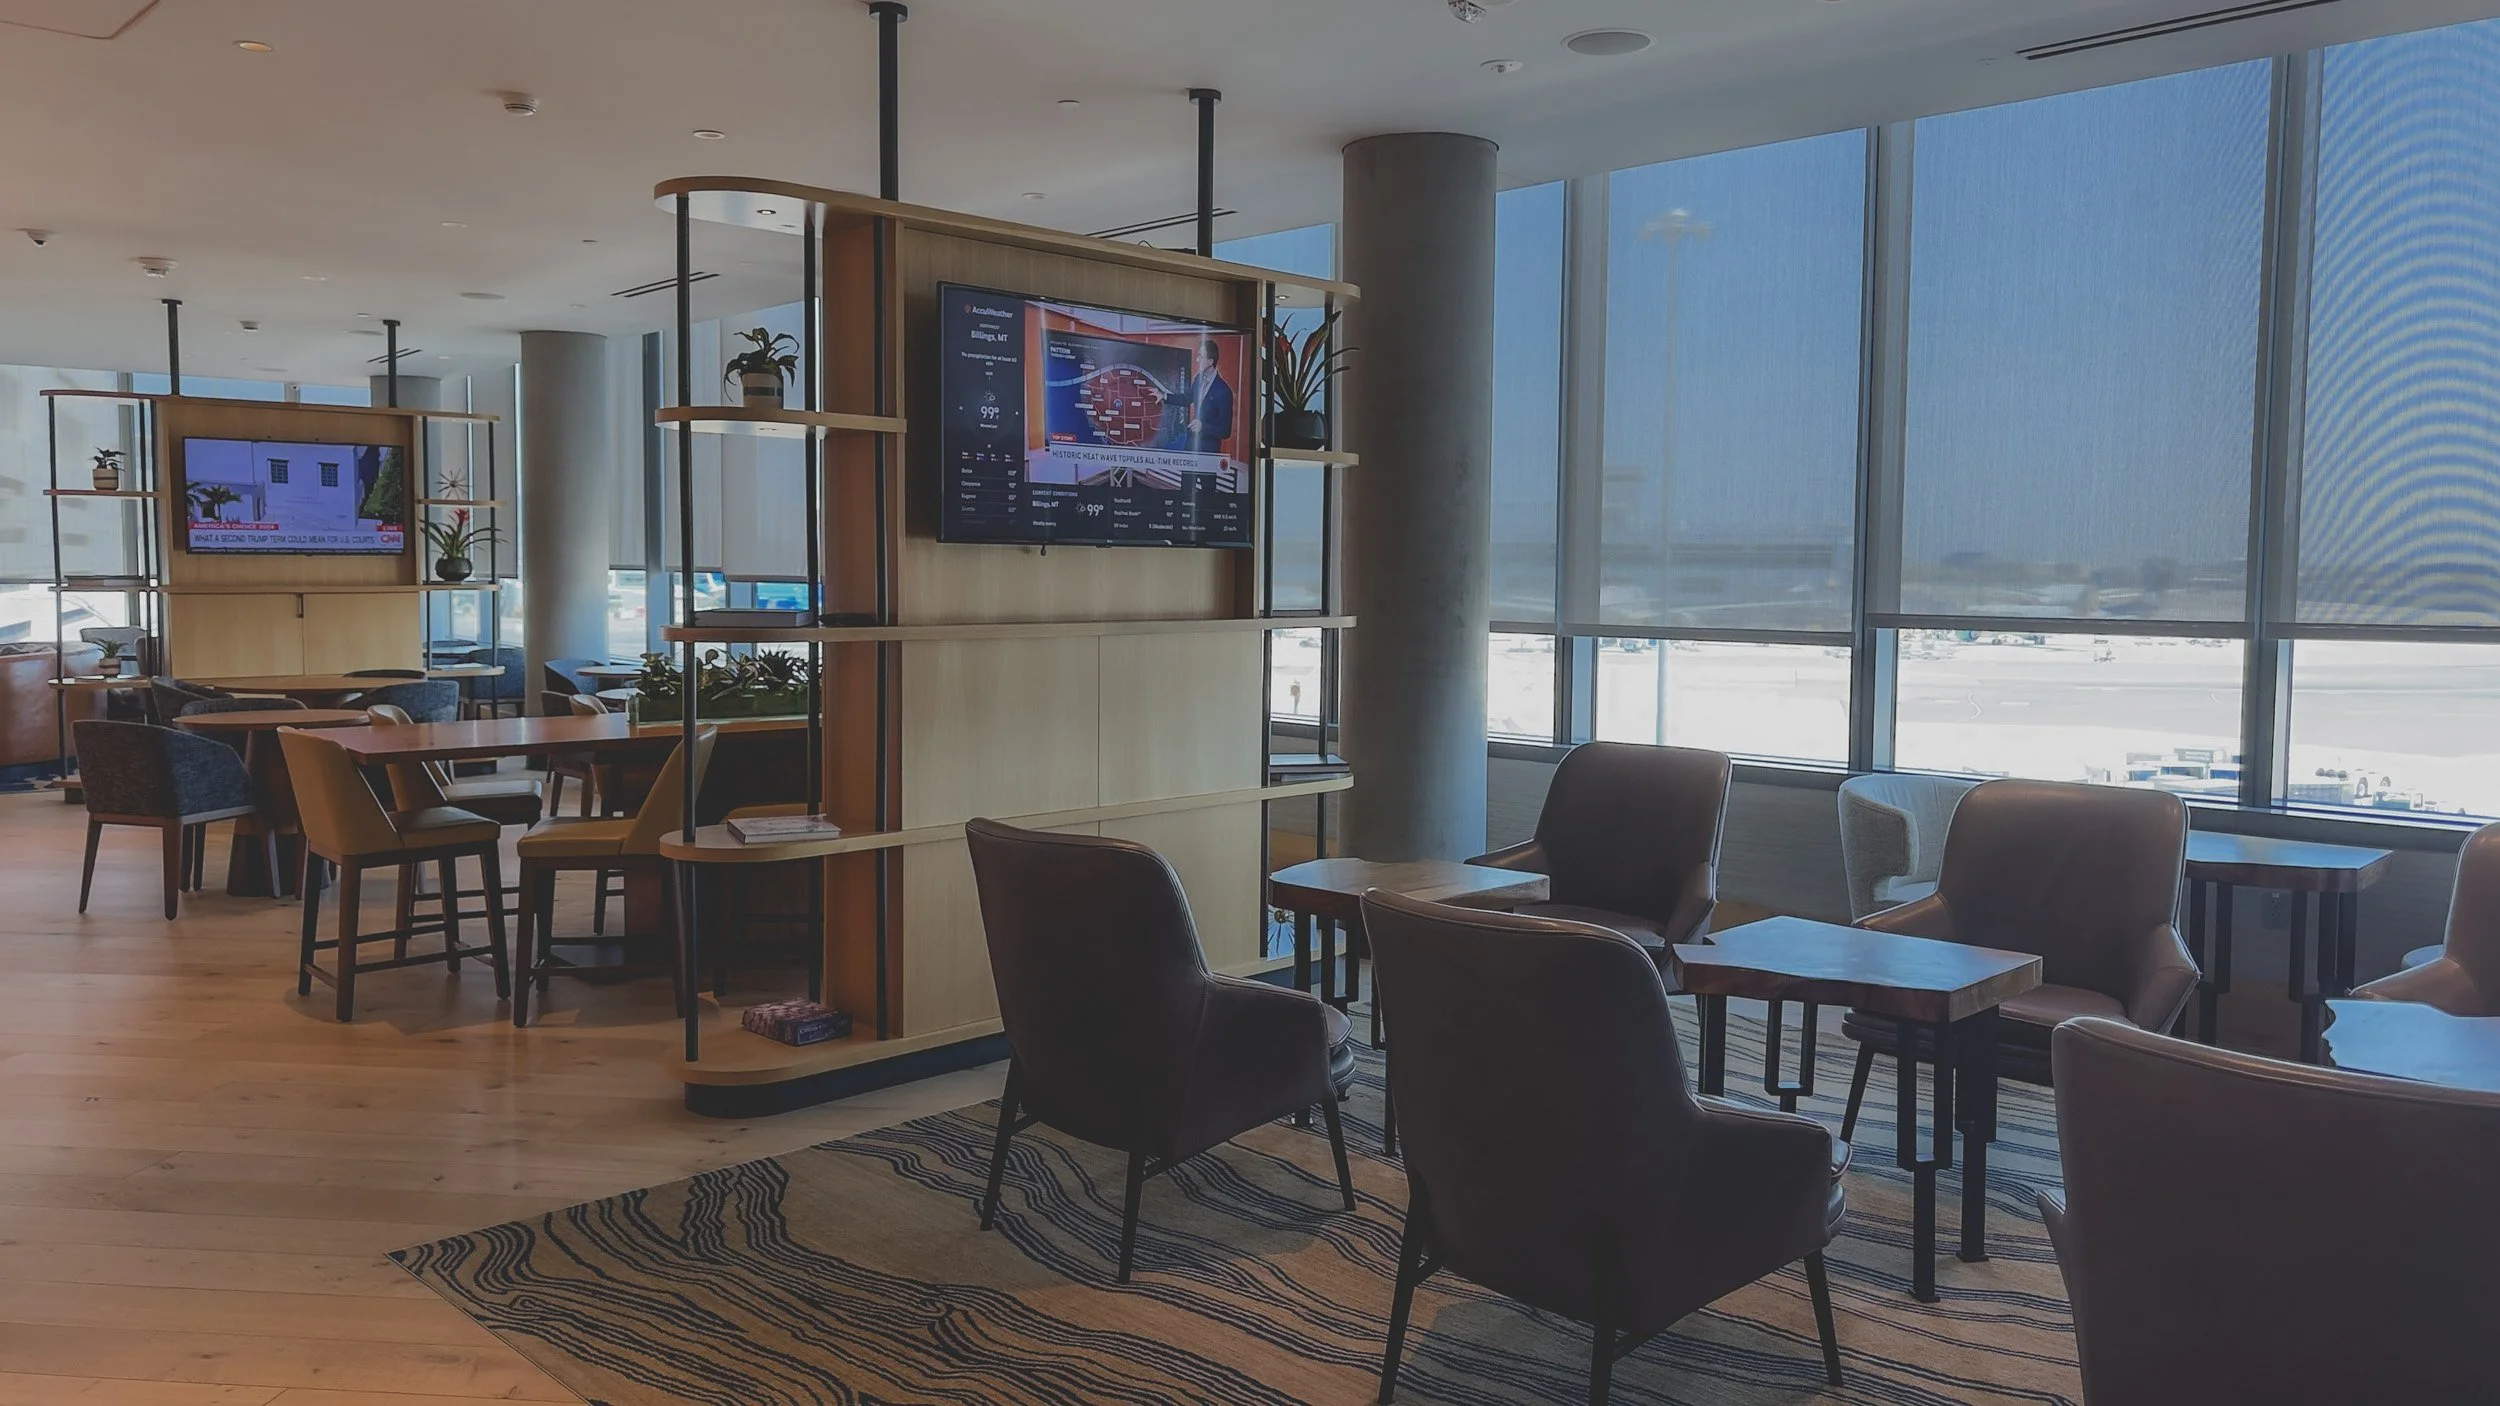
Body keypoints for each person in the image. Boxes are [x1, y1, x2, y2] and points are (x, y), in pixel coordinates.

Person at [1185, 339, 1233, 456]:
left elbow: (1225, 431)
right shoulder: (1198, 379)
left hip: (1208, 454)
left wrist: (1203, 427)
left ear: (1211, 361)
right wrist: (1164, 396)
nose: (1197, 360)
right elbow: (1186, 399)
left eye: (1200, 357)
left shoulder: (1223, 391)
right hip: (1190, 449)